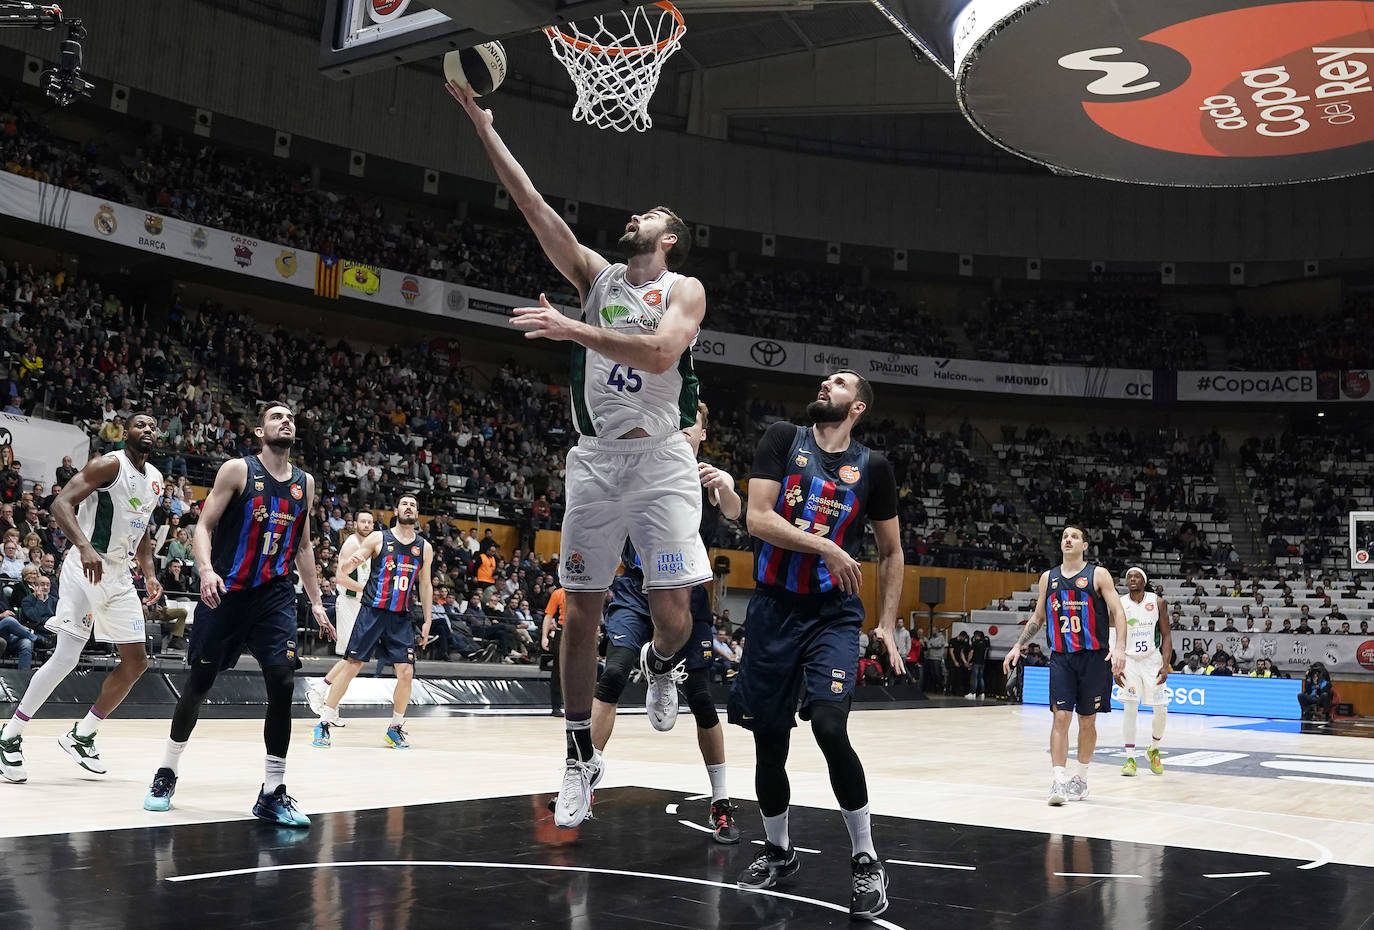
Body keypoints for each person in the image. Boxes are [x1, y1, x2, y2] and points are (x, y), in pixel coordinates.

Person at [450, 80, 710, 829]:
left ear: (667, 239)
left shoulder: (684, 290)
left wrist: (575, 333)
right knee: (581, 617)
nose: (635, 216)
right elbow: (534, 205)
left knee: (670, 613)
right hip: (595, 462)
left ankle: (663, 666)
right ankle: (576, 759)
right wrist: (483, 124)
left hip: (660, 463)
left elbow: (663, 357)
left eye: (650, 216)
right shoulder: (597, 279)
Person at [729, 371, 904, 919]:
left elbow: (892, 551)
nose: (828, 382)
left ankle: (866, 858)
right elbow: (758, 519)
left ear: (860, 407)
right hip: (774, 609)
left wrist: (889, 623)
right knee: (769, 738)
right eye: (829, 378)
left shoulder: (873, 468)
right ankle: (779, 852)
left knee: (830, 726)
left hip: (833, 614)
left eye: (842, 382)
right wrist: (825, 546)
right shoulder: (782, 438)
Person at [143, 402, 333, 827]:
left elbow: (303, 547)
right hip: (226, 592)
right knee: (199, 682)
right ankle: (167, 771)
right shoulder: (237, 470)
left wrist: (317, 602)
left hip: (276, 597)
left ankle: (272, 791)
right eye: (276, 417)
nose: (286, 421)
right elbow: (203, 527)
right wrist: (206, 571)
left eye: (291, 418)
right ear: (260, 431)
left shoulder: (306, 484)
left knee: (283, 681)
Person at [591, 403, 742, 843]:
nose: (679, 427)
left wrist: (726, 487)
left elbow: (733, 510)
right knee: (613, 673)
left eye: (689, 422)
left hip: (687, 593)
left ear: (702, 434)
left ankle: (720, 801)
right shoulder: (639, 465)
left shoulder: (707, 479)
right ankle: (584, 775)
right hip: (636, 588)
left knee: (700, 697)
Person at [0, 413, 163, 783]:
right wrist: (84, 546)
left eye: (154, 426)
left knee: (136, 663)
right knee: (66, 656)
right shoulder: (108, 464)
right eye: (140, 425)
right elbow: (60, 504)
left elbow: (143, 533)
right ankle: (9, 736)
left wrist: (150, 573)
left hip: (119, 574)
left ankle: (82, 735)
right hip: (84, 566)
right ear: (126, 433)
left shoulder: (154, 479)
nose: (148, 430)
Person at [1002, 524, 1126, 806]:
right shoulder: (1049, 577)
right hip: (1061, 656)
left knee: (1087, 720)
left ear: (1085, 545)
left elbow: (1118, 611)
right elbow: (1037, 618)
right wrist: (1018, 644)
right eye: (1064, 537)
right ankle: (1058, 781)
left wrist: (1119, 647)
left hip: (1094, 657)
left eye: (1075, 536)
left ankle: (1080, 780)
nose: (1068, 539)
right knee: (1060, 717)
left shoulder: (1098, 574)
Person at [312, 494, 433, 749]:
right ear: (396, 509)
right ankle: (323, 721)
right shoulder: (379, 538)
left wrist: (428, 618)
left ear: (417, 512)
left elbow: (425, 584)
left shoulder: (424, 547)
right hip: (372, 612)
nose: (408, 507)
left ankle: (395, 728)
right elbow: (347, 567)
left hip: (401, 617)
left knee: (406, 672)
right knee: (351, 665)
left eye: (413, 504)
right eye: (404, 503)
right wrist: (350, 562)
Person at [305, 510, 376, 719]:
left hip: (361, 605)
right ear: (355, 524)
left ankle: (322, 691)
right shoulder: (352, 544)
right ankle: (324, 697)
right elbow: (340, 578)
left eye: (369, 522)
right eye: (362, 521)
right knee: (352, 656)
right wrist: (367, 589)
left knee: (356, 658)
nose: (366, 524)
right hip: (348, 602)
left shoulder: (372, 545)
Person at [1114, 568, 1170, 778]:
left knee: (1161, 710)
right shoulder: (1119, 603)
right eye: (1129, 576)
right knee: (1130, 708)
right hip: (1128, 660)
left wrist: (1165, 664)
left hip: (1151, 660)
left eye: (1136, 576)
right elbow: (1113, 635)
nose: (1132, 579)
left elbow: (1166, 635)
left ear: (1144, 581)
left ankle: (1153, 749)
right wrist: (1115, 665)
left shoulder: (1157, 602)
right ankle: (1130, 758)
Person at [541, 583, 567, 716]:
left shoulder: (582, 592)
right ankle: (556, 707)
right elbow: (548, 615)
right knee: (558, 670)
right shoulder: (558, 593)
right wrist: (544, 636)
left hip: (579, 632)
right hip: (562, 632)